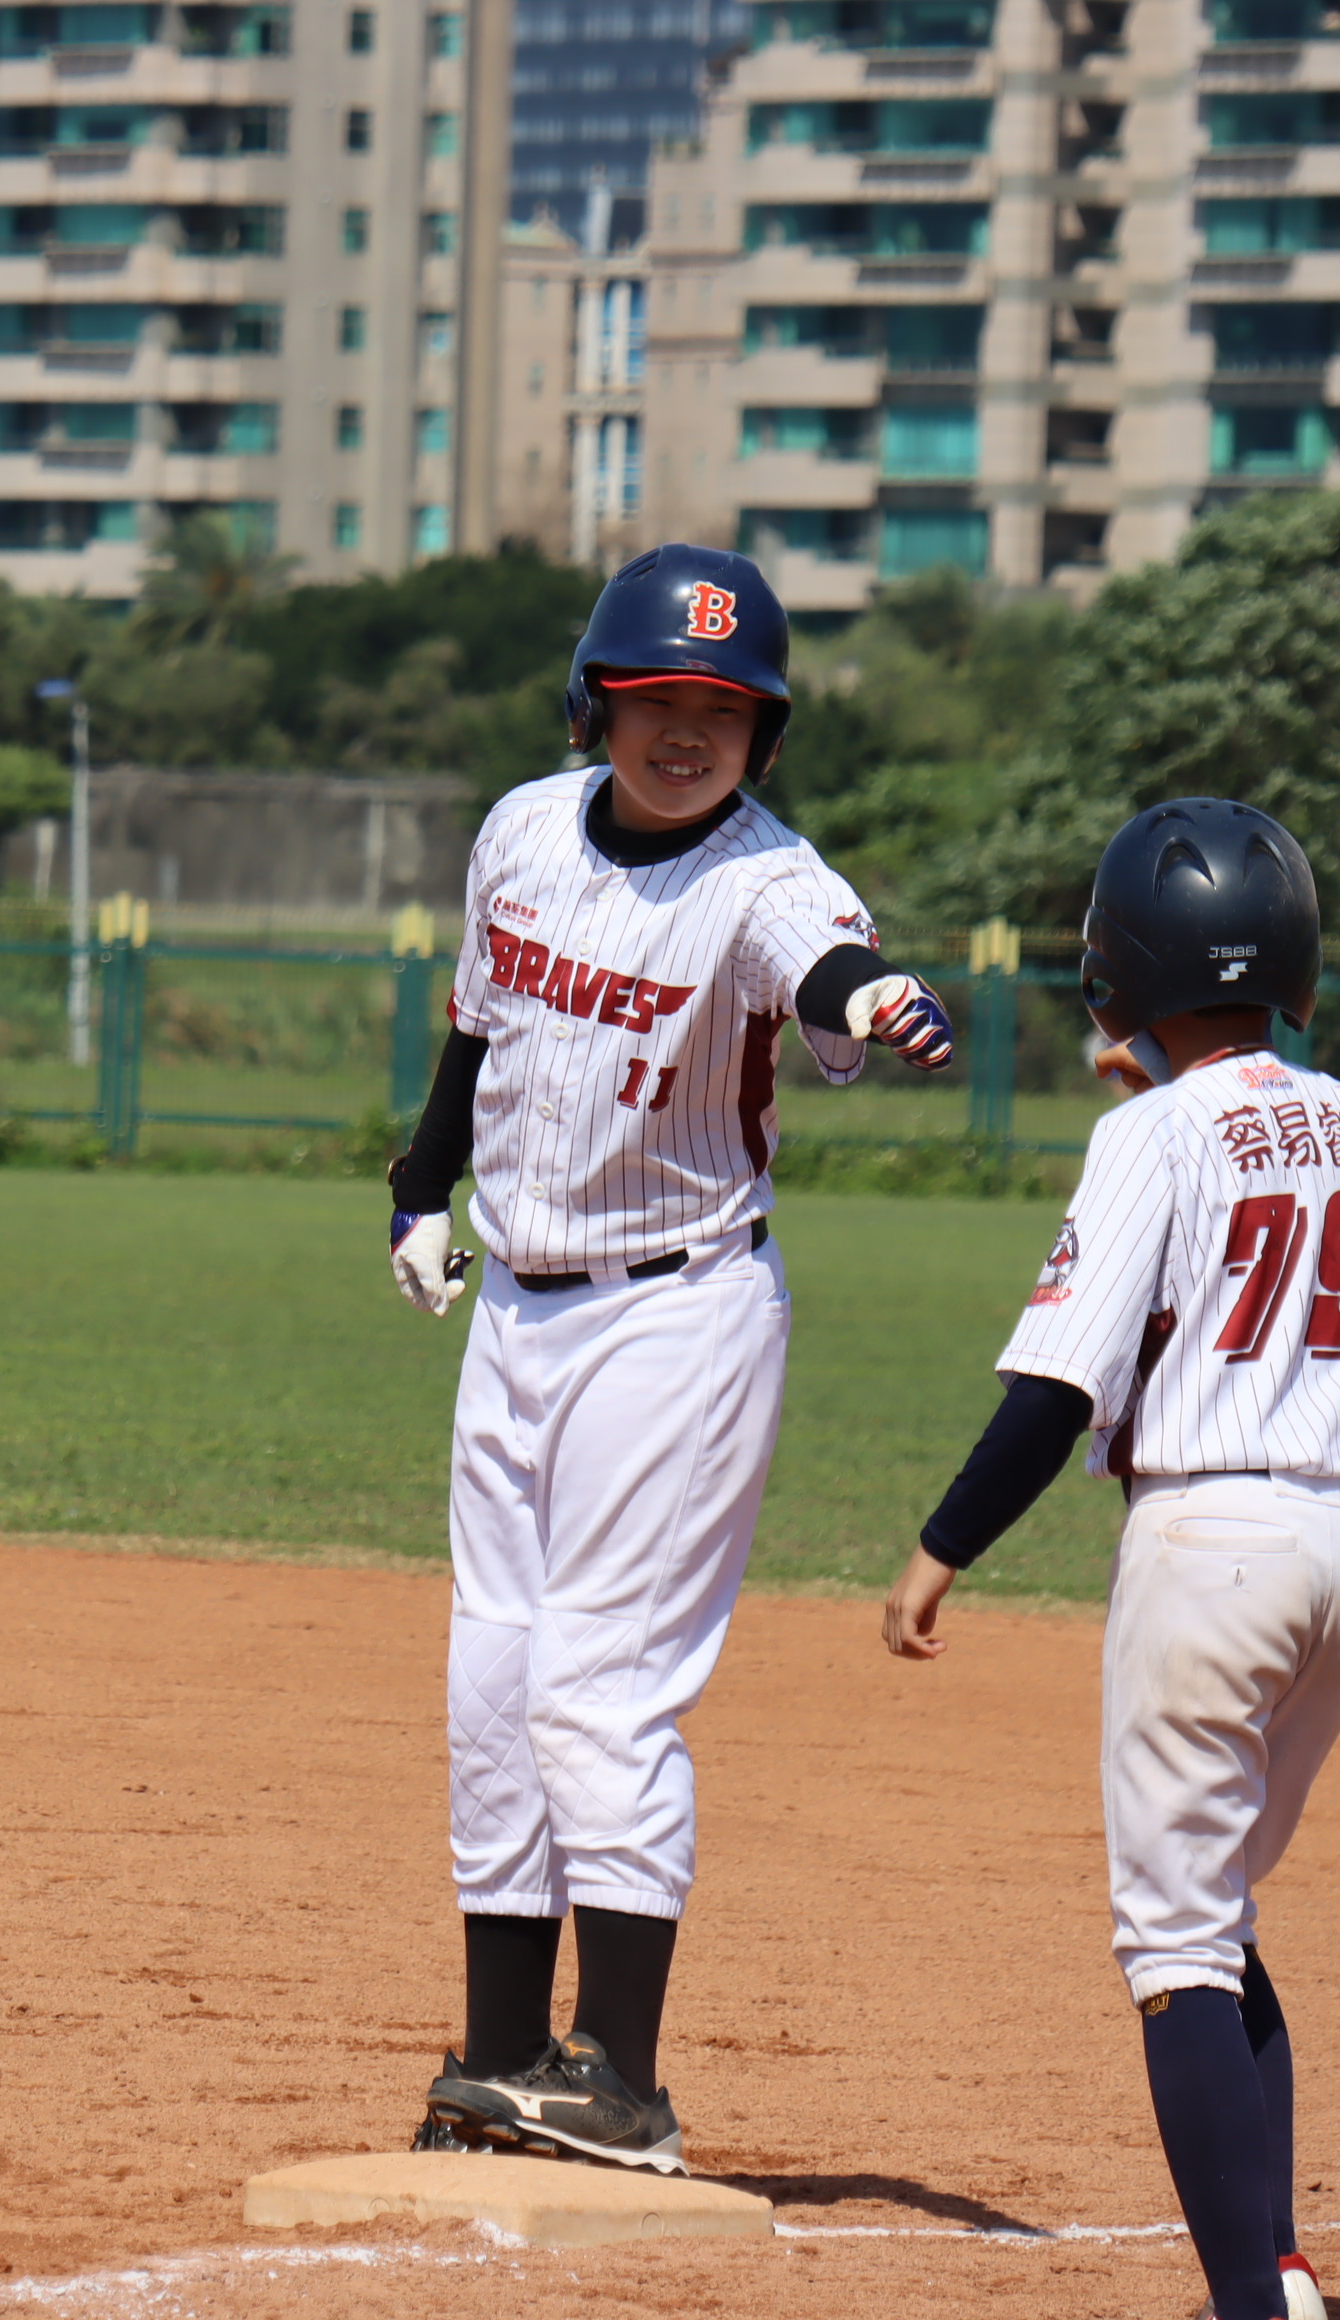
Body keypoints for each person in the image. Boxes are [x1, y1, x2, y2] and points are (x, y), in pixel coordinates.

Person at [384, 545, 959, 2172]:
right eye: (655, 699)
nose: (686, 731)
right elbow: (479, 1028)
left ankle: (622, 2083)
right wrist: (420, 1188)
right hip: (515, 1309)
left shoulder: (769, 884)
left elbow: (830, 968)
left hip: (675, 1314)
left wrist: (881, 998)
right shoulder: (521, 829)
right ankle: (506, 2060)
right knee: (492, 1680)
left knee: (597, 1681)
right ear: (597, 704)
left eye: (724, 706)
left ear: (763, 732)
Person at [881, 798, 1340, 2320]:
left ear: (1119, 968)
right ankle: (1278, 2266)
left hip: (1209, 1545)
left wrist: (942, 1546)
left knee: (1175, 1945)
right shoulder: (1337, 1109)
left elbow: (1059, 1386)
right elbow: (1238, 1120)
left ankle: (1252, 2303)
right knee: (1217, 1913)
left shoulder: (1142, 1133)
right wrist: (1164, 1074)